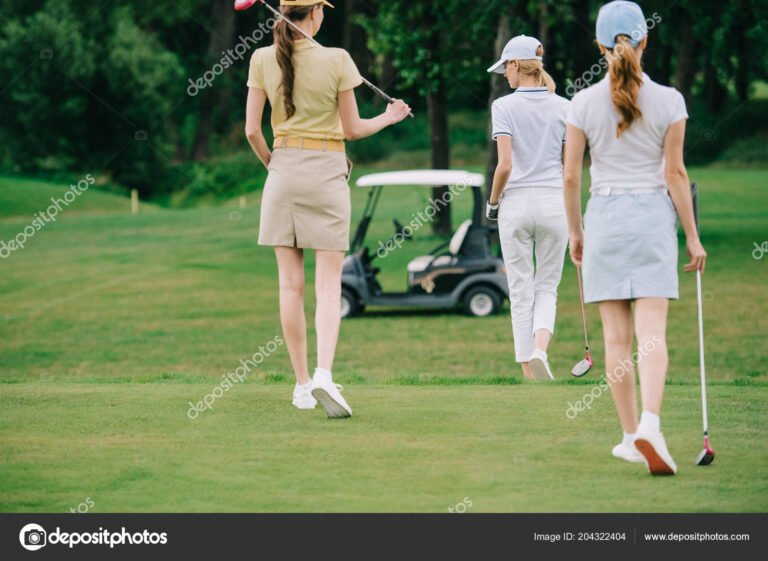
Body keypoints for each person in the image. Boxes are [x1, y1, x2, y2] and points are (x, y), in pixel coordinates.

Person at [245, 0, 410, 417]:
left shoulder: (261, 57)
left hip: (282, 171)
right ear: (315, 13)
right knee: (328, 285)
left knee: (290, 285)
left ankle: (302, 385)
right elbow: (353, 130)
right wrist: (390, 117)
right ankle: (323, 374)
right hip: (326, 172)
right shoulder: (337, 58)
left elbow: (252, 130)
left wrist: (275, 167)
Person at [563, 1, 707, 474]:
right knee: (652, 335)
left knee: (616, 339)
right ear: (645, 40)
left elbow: (569, 179)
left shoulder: (582, 103)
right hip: (651, 219)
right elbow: (675, 173)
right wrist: (693, 238)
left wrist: (576, 233)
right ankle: (650, 423)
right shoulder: (670, 100)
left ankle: (630, 436)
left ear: (600, 47)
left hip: (603, 217)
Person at [487, 35, 571, 380]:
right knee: (546, 287)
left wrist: (492, 204)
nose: (504, 76)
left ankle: (529, 372)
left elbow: (504, 166)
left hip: (516, 205)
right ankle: (540, 351)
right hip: (554, 204)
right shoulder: (566, 107)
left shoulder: (503, 106)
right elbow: (570, 170)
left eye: (505, 68)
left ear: (514, 65)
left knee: (520, 288)